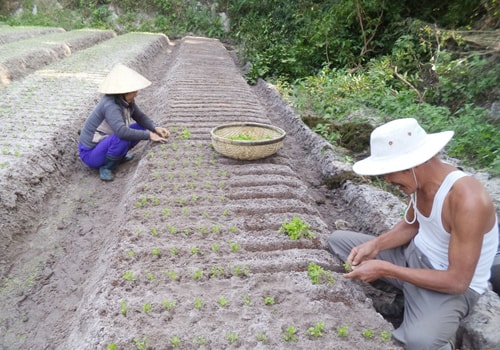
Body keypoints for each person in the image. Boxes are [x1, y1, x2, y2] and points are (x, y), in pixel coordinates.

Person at [327, 118, 498, 350]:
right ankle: (408, 296)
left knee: (420, 342)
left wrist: (384, 268)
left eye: (389, 172)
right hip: (414, 255)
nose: (387, 180)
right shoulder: (418, 183)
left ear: (413, 164)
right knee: (338, 242)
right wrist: (376, 246)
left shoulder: (468, 200)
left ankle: (429, 317)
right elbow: (410, 226)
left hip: (450, 282)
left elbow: (458, 281)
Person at [78, 63, 170, 181]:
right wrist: (149, 135)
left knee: (140, 127)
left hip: (104, 143)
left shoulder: (126, 102)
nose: (136, 94)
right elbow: (121, 132)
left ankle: (118, 156)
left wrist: (155, 128)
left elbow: (140, 117)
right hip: (90, 154)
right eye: (134, 91)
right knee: (122, 137)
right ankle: (107, 167)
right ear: (124, 92)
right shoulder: (110, 105)